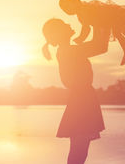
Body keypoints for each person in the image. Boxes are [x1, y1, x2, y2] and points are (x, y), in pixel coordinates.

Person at [42, 18, 110, 164]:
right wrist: (102, 19)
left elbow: (100, 46)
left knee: (80, 149)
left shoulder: (69, 50)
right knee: (79, 149)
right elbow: (100, 46)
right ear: (59, 34)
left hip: (82, 98)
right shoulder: (69, 51)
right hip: (82, 101)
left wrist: (101, 22)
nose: (68, 24)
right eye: (63, 25)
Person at [59, 0, 125, 65]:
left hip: (112, 16)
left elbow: (86, 28)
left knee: (120, 33)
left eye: (68, 5)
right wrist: (81, 37)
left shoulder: (83, 10)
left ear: (75, 1)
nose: (68, 9)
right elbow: (87, 27)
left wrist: (81, 38)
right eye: (65, 8)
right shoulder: (81, 14)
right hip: (108, 19)